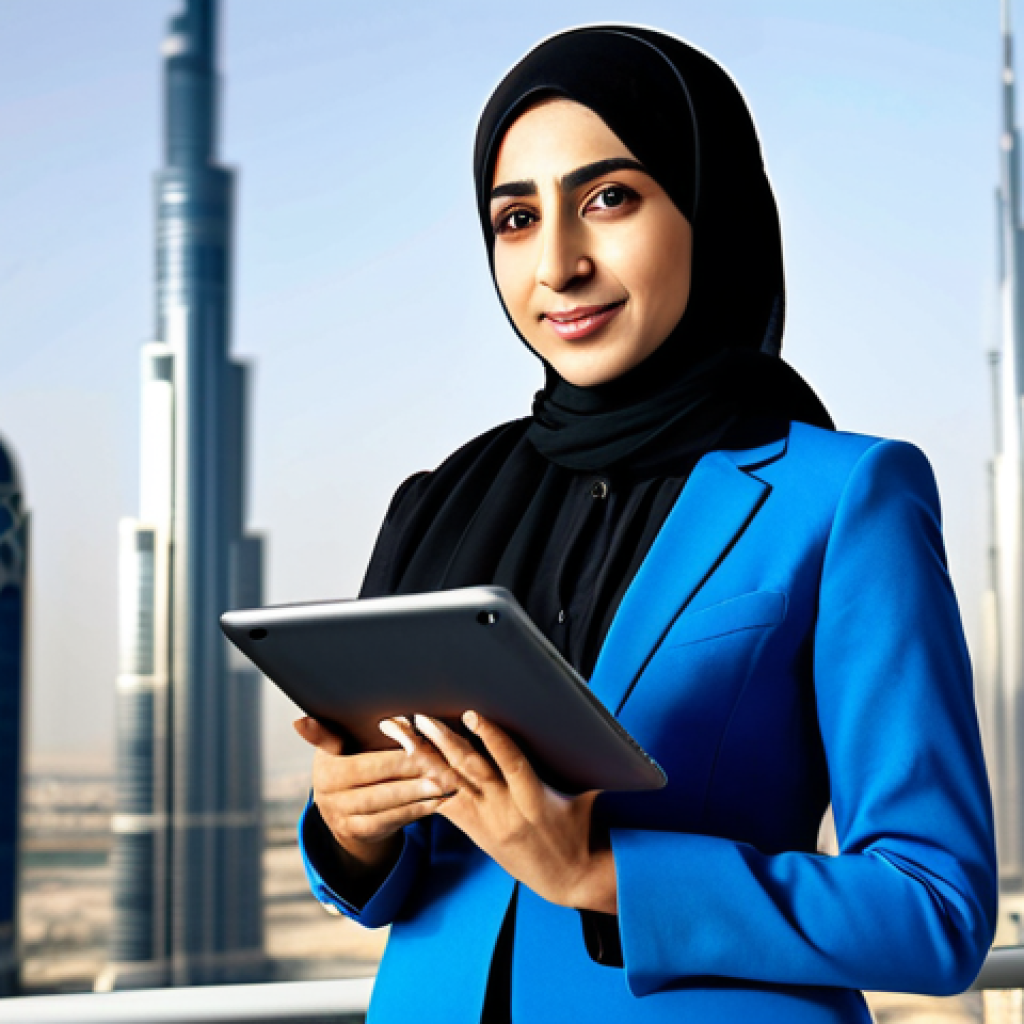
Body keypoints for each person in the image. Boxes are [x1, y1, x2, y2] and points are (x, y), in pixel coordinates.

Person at [292, 25, 998, 1024]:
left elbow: (936, 909)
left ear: (707, 204)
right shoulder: (442, 499)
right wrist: (347, 828)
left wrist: (599, 870)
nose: (558, 264)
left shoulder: (843, 496)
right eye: (515, 218)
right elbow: (401, 876)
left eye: (607, 199)